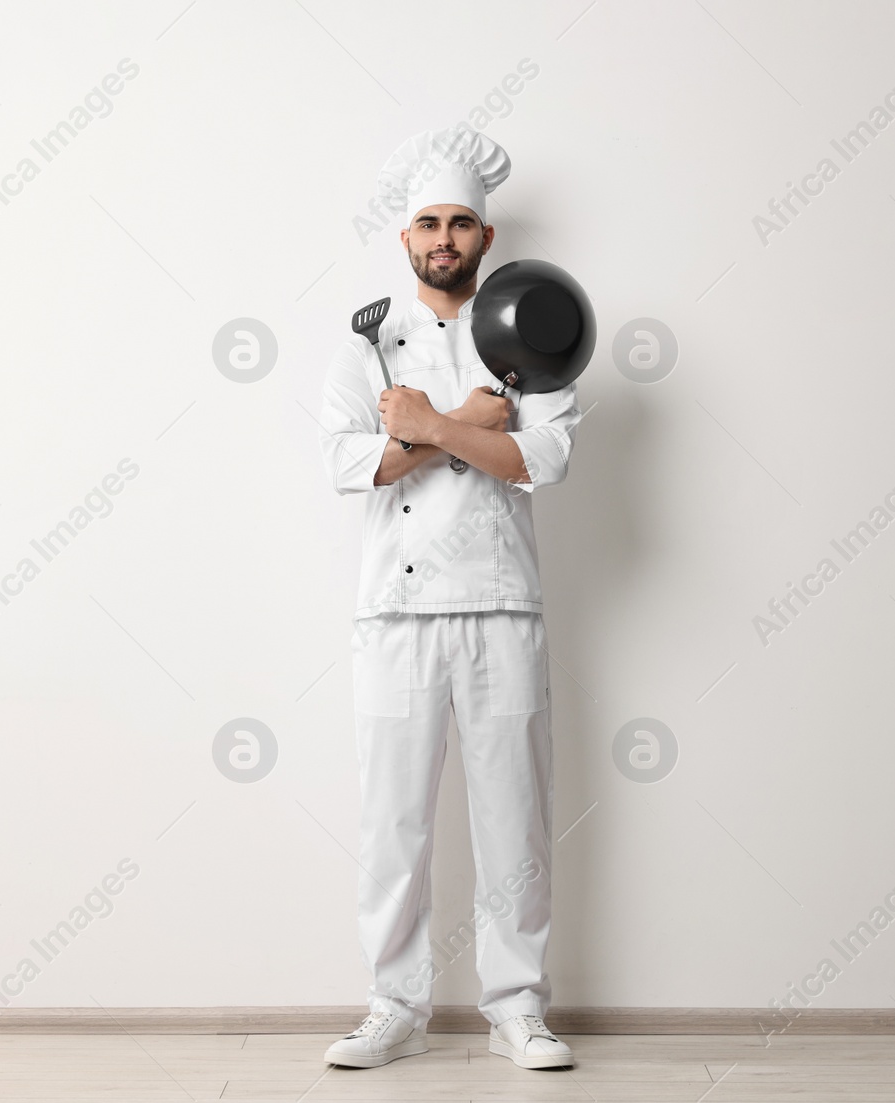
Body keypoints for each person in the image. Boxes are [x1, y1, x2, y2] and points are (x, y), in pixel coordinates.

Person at [317, 126, 582, 1071]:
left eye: (460, 222)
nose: (443, 237)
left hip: (504, 607)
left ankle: (519, 1006)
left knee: (515, 817)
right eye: (428, 222)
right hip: (393, 611)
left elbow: (540, 459)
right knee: (393, 820)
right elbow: (355, 465)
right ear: (405, 237)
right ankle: (393, 1003)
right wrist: (461, 422)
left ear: (486, 235)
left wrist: (428, 425)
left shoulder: (532, 332)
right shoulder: (363, 344)